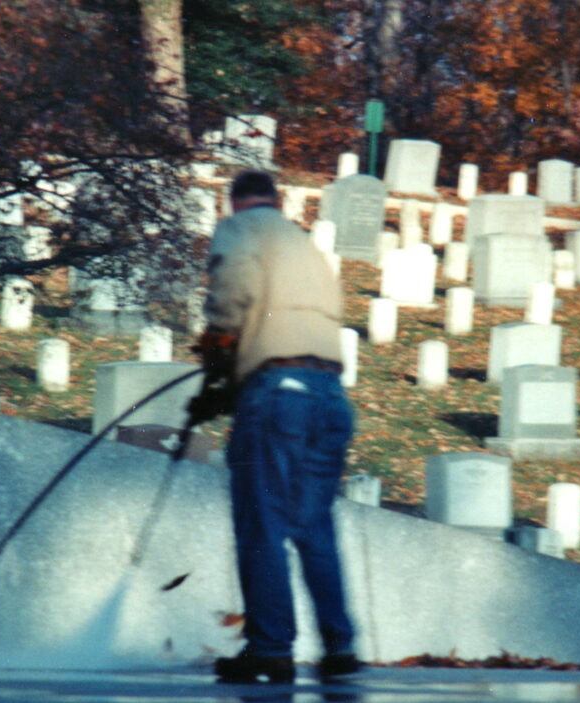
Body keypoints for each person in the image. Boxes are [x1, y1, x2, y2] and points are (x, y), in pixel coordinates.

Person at [193, 170, 361, 684]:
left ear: (236, 200)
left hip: (277, 394)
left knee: (262, 524)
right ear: (278, 198)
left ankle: (269, 649)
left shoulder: (242, 227)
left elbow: (233, 290)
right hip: (329, 395)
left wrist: (218, 355)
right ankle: (339, 647)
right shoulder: (305, 246)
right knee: (313, 527)